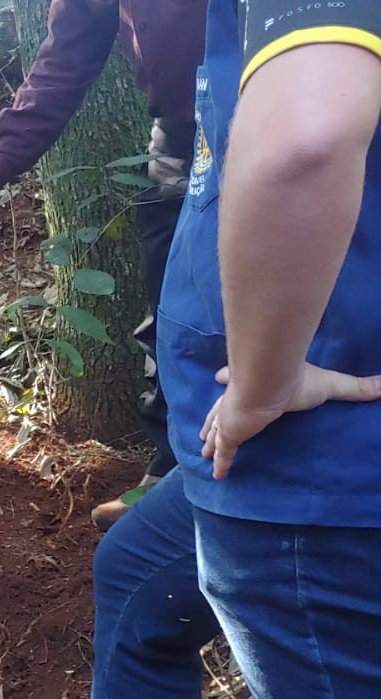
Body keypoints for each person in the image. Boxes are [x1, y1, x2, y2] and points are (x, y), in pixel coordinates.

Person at [0, 0, 207, 530]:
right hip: (180, 142)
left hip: (284, 120)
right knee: (172, 317)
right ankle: (171, 476)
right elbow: (65, 57)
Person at [156, 0, 381, 694]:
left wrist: (260, 387)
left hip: (306, 468)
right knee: (132, 575)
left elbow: (301, 141)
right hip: (287, 448)